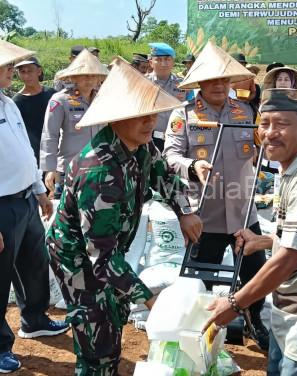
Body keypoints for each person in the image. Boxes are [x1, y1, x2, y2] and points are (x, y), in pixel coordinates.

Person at [45, 57, 203, 375]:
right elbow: (100, 259)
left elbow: (165, 176)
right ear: (116, 119)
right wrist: (150, 301)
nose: (150, 122)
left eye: (152, 114)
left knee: (113, 316)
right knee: (97, 343)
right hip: (77, 259)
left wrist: (185, 212)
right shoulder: (98, 170)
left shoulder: (140, 147)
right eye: (140, 116)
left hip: (106, 252)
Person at [202, 88, 297, 376]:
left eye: (282, 124)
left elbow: (289, 258)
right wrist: (264, 241)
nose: (270, 133)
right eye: (265, 124)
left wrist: (235, 304)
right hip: (293, 314)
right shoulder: (293, 170)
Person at [165, 41, 269, 350]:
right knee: (200, 281)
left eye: (224, 80)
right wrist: (193, 164)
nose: (218, 86)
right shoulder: (183, 113)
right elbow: (169, 157)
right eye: (211, 80)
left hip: (243, 211)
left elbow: (263, 150)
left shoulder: (247, 111)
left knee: (255, 275)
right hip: (203, 214)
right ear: (199, 83)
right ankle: (200, 330)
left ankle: (255, 320)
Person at [0, 40, 69, 374]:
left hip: (25, 200)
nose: (12, 72)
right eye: (7, 67)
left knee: (34, 264)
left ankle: (35, 318)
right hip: (0, 207)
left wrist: (40, 190)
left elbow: (25, 153)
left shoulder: (7, 104)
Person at [40, 49, 108, 199]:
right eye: (84, 75)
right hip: (70, 168)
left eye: (93, 75)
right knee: (67, 217)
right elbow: (50, 135)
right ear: (74, 77)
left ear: (99, 78)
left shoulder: (103, 100)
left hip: (100, 168)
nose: (89, 79)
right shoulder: (60, 100)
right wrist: (50, 169)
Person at [12, 57, 56, 166]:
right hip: (33, 155)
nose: (26, 75)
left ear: (39, 71)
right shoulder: (15, 102)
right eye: (22, 72)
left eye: (30, 71)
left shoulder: (52, 94)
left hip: (55, 150)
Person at [146, 42, 189, 150]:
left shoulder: (184, 84)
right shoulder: (143, 83)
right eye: (159, 60)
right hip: (150, 139)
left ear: (173, 62)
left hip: (178, 138)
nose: (163, 63)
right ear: (151, 63)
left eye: (167, 59)